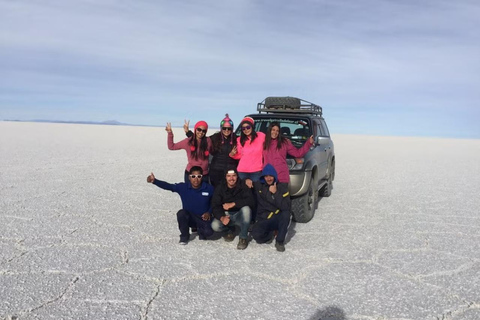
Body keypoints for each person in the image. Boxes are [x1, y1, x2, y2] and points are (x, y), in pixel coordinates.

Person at [147, 166, 214, 245]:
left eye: (199, 176)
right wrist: (155, 181)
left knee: (208, 232)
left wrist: (209, 212)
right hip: (190, 217)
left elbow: (215, 203)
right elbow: (169, 186)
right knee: (181, 213)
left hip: (203, 218)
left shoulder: (209, 188)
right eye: (193, 176)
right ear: (189, 177)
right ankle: (184, 236)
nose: (196, 179)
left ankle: (201, 231)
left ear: (202, 177)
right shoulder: (183, 187)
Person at [185, 115, 238, 187]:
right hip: (216, 171)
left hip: (230, 171)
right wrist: (188, 133)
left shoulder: (236, 139)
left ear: (232, 129)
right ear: (221, 128)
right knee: (216, 192)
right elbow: (202, 140)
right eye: (224, 128)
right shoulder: (215, 137)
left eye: (229, 128)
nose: (226, 130)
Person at [211, 167, 255, 250]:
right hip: (226, 215)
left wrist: (234, 204)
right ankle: (229, 230)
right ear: (225, 177)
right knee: (215, 225)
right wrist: (221, 217)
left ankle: (243, 237)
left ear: (237, 176)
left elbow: (251, 201)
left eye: (234, 176)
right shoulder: (220, 188)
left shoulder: (242, 185)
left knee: (246, 209)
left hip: (239, 215)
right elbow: (215, 205)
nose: (231, 178)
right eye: (228, 176)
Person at [250, 164, 291, 252]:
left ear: (275, 176)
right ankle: (271, 234)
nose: (268, 179)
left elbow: (286, 207)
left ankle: (279, 241)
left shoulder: (282, 187)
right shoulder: (259, 185)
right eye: (266, 176)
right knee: (256, 235)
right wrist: (246, 180)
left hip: (277, 218)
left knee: (286, 214)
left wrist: (276, 193)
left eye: (271, 176)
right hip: (265, 217)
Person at [229, 116, 265, 182]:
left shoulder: (261, 136)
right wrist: (232, 154)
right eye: (243, 128)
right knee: (243, 191)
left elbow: (269, 145)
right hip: (242, 171)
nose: (246, 130)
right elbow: (240, 155)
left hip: (256, 171)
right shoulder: (239, 140)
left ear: (252, 127)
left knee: (255, 191)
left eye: (248, 127)